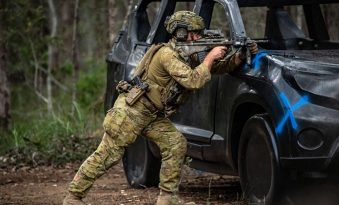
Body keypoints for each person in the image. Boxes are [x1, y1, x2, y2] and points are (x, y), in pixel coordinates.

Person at [63, 10, 258, 205]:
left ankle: (167, 198)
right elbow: (193, 81)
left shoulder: (185, 55)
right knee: (108, 154)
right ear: (181, 33)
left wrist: (237, 57)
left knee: (175, 143)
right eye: (195, 32)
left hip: (151, 114)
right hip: (132, 111)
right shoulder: (167, 54)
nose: (199, 37)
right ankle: (73, 197)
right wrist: (210, 57)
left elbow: (217, 69)